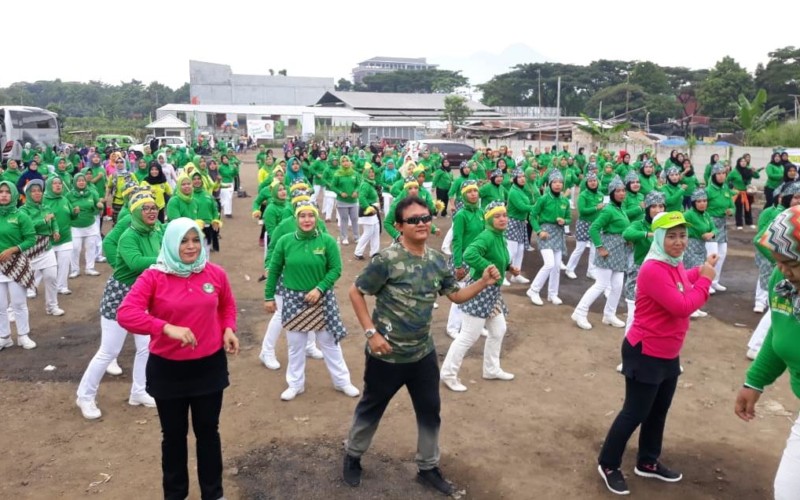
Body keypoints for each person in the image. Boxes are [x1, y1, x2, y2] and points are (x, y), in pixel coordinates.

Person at [342, 195, 502, 495]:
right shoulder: (386, 261)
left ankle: (428, 467)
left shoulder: (437, 261)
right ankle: (353, 455)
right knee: (372, 407)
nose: (422, 224)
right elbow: (355, 292)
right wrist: (370, 333)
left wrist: (482, 282)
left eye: (426, 218)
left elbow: (454, 295)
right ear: (399, 226)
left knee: (430, 411)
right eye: (414, 220)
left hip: (422, 354)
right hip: (386, 355)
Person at [117, 218, 239, 500]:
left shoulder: (214, 273)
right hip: (168, 370)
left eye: (195, 239)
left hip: (209, 367)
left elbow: (226, 305)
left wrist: (228, 328)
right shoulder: (153, 276)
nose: (191, 247)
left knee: (209, 433)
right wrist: (164, 327)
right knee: (173, 437)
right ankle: (175, 495)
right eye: (183, 241)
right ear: (171, 243)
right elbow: (126, 313)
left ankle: (213, 493)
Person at [597, 211, 717, 495]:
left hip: (668, 352)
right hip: (645, 351)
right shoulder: (652, 268)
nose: (678, 242)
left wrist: (697, 272)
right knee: (635, 411)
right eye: (671, 236)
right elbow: (682, 305)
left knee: (658, 410)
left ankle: (647, 461)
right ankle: (608, 463)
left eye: (682, 235)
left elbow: (680, 284)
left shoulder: (672, 263)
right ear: (660, 237)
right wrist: (706, 280)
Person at [75, 190, 162, 420]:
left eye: (154, 207)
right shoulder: (129, 236)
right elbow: (135, 263)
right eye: (146, 207)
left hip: (144, 295)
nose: (151, 211)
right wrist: (164, 260)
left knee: (146, 347)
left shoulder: (156, 232)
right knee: (109, 351)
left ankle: (139, 391)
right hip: (121, 296)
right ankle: (84, 395)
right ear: (135, 212)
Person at [264, 200, 359, 401]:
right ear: (296, 218)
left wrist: (319, 288)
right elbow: (274, 270)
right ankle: (295, 384)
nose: (307, 220)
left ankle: (342, 382)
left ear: (316, 218)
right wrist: (269, 296)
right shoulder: (285, 241)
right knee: (295, 345)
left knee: (329, 342)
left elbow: (335, 269)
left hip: (321, 299)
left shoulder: (327, 241)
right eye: (302, 215)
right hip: (292, 299)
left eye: (310, 215)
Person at [735, 205, 800, 498]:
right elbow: (780, 328)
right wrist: (755, 380)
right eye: (778, 262)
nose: (784, 271)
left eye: (792, 263)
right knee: (787, 491)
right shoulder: (784, 282)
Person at [440, 201, 516, 391]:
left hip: (493, 293)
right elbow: (469, 254)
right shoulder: (487, 235)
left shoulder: (500, 236)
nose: (502, 219)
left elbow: (499, 257)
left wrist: (508, 267)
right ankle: (448, 374)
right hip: (479, 290)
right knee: (468, 336)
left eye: (504, 215)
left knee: (498, 330)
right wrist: (488, 267)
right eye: (497, 216)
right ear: (489, 219)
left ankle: (491, 369)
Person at [571, 176, 630, 330]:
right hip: (608, 250)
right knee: (601, 284)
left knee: (617, 286)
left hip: (619, 251)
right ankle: (580, 312)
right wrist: (599, 247)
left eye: (623, 190)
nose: (622, 193)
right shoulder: (608, 209)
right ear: (611, 193)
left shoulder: (621, 208)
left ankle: (609, 314)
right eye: (618, 191)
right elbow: (593, 228)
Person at [0, 182, 37, 350]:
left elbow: (31, 239)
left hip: (17, 264)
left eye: (8, 192)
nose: (4, 195)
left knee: (18, 304)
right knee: (0, 306)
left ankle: (23, 335)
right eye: (1, 192)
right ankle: (4, 337)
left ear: (14, 195)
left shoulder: (21, 216)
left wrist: (13, 250)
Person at [622, 192, 666, 331]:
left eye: (661, 206)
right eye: (653, 206)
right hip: (639, 273)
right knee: (633, 315)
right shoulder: (639, 224)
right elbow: (627, 234)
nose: (658, 210)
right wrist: (647, 234)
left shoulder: (667, 226)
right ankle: (628, 348)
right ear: (647, 208)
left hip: (660, 275)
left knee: (655, 316)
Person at [19, 181, 65, 315]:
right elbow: (26, 227)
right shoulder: (23, 210)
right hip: (29, 250)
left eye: (39, 190)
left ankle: (52, 306)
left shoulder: (46, 207)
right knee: (22, 282)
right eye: (33, 191)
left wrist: (55, 231)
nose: (37, 193)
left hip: (46, 247)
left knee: (51, 277)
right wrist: (43, 221)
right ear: (27, 194)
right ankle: (13, 310)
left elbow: (54, 220)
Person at [526, 170, 571, 306]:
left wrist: (564, 221)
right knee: (549, 263)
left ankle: (553, 294)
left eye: (560, 182)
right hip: (545, 233)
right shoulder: (543, 199)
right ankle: (533, 290)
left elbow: (569, 217)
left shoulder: (565, 200)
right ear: (550, 184)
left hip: (558, 233)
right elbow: (532, 216)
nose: (558, 185)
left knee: (557, 266)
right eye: (555, 182)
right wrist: (539, 232)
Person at [565, 172, 604, 280]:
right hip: (584, 224)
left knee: (594, 249)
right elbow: (582, 211)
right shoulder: (583, 195)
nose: (593, 183)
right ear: (587, 183)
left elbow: (601, 210)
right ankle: (569, 269)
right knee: (580, 248)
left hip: (596, 225)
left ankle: (591, 271)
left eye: (595, 181)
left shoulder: (600, 195)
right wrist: (596, 208)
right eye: (590, 181)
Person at [42, 177, 77, 296]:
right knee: (42, 266)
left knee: (64, 263)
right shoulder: (43, 200)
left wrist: (75, 213)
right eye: (54, 183)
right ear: (49, 186)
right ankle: (32, 287)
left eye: (60, 183)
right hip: (47, 240)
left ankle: (62, 286)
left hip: (66, 237)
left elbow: (71, 216)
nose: (58, 185)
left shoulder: (65, 199)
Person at [67, 173, 104, 277]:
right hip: (75, 227)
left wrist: (100, 206)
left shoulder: (91, 193)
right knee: (75, 248)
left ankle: (90, 268)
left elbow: (98, 205)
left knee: (91, 247)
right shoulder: (69, 195)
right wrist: (73, 211)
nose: (81, 182)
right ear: (75, 182)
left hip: (90, 225)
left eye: (83, 180)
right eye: (79, 180)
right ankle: (75, 270)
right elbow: (67, 211)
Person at [706, 163, 734, 293]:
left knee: (722, 254)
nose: (722, 176)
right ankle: (706, 283)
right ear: (713, 175)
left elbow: (732, 205)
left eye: (724, 173)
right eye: (719, 174)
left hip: (722, 224)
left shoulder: (726, 189)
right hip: (711, 223)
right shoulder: (708, 191)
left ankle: (715, 281)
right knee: (712, 255)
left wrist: (731, 211)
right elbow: (700, 208)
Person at [330, 156, 361, 245]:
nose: (345, 163)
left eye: (347, 161)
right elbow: (333, 186)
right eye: (343, 161)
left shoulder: (355, 174)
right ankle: (344, 237)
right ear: (341, 163)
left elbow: (359, 184)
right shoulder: (337, 174)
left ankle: (357, 237)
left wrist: (356, 191)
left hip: (354, 201)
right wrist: (340, 192)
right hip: (342, 201)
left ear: (350, 162)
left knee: (355, 219)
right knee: (344, 219)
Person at [354, 165, 381, 260]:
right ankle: (358, 252)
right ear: (365, 174)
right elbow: (361, 198)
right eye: (369, 172)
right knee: (368, 232)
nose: (372, 173)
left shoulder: (370, 184)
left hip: (373, 209)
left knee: (375, 231)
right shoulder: (365, 184)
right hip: (367, 210)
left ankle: (374, 252)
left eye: (372, 172)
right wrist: (368, 207)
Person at [727, 156, 761, 229]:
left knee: (748, 208)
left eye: (745, 161)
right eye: (741, 161)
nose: (743, 163)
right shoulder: (734, 171)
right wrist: (730, 187)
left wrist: (754, 171)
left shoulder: (748, 170)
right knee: (739, 209)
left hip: (748, 192)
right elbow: (727, 180)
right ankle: (739, 224)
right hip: (738, 192)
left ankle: (749, 222)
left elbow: (757, 176)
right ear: (738, 163)